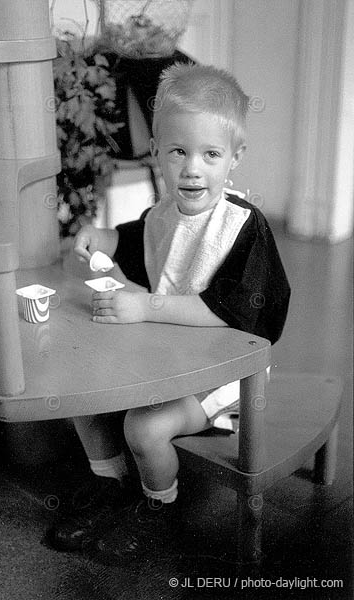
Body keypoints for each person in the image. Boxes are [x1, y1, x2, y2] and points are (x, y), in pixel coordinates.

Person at [45, 62, 290, 560]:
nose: (192, 168)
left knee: (144, 426)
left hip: (220, 374)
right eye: (178, 151)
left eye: (210, 154)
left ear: (234, 158)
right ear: (156, 151)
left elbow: (235, 313)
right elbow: (140, 243)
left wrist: (145, 306)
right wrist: (104, 238)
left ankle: (158, 506)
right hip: (164, 355)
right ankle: (110, 483)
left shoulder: (242, 227)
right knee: (81, 396)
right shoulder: (163, 212)